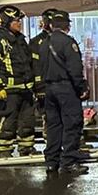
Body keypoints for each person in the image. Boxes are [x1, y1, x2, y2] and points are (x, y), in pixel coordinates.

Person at [39, 11, 90, 175]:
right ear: (67, 25)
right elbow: (74, 69)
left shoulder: (43, 44)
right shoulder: (68, 43)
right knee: (72, 124)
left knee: (53, 126)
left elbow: (40, 68)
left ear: (51, 25)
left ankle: (51, 162)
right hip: (66, 89)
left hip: (49, 89)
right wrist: (82, 88)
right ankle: (69, 161)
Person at [0, 5, 37, 158]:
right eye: (16, 21)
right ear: (6, 22)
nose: (19, 23)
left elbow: (28, 64)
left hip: (26, 90)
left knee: (27, 121)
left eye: (19, 20)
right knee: (9, 121)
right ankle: (4, 149)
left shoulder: (21, 40)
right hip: (9, 90)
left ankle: (26, 148)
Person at [29, 8, 59, 141]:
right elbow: (35, 66)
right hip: (45, 85)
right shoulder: (36, 42)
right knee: (48, 115)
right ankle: (50, 142)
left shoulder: (62, 39)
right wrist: (39, 86)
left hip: (61, 85)